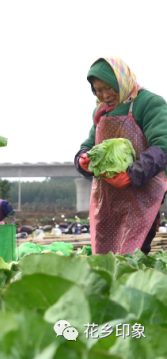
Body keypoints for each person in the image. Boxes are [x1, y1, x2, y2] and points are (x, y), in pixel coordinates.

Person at [75, 57, 167, 255]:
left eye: (109, 87)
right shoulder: (101, 112)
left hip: (143, 195)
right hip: (109, 198)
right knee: (106, 254)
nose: (105, 95)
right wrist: (82, 159)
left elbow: (162, 145)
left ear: (121, 81)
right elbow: (90, 145)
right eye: (98, 90)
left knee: (134, 252)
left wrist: (132, 174)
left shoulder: (149, 103)